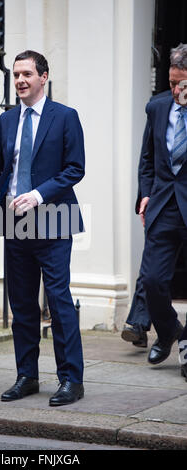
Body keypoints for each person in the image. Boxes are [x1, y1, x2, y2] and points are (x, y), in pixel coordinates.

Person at [0, 50, 86, 404]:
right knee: (22, 306)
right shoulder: (6, 121)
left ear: (44, 76)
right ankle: (27, 376)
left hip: (54, 221)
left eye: (27, 74)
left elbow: (75, 168)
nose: (20, 80)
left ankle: (71, 380)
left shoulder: (65, 117)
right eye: (16, 75)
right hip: (14, 224)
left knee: (58, 302)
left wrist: (39, 195)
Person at [137, 43, 187, 380]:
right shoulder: (157, 107)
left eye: (182, 84)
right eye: (171, 83)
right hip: (164, 205)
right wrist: (144, 195)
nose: (176, 90)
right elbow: (147, 159)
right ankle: (171, 332)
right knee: (153, 280)